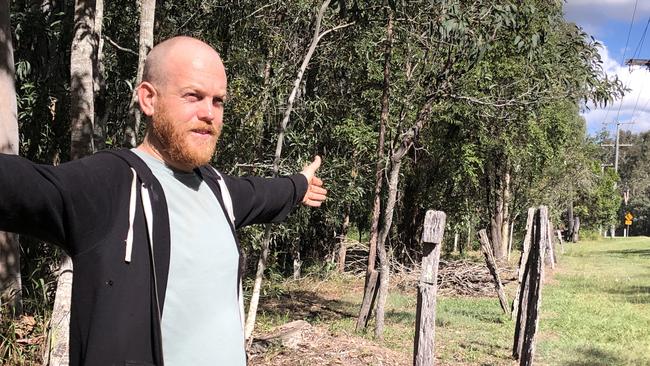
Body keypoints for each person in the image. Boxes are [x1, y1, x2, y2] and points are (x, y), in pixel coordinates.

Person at [0, 36, 327, 366]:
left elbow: (264, 194)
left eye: (218, 101)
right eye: (193, 96)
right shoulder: (110, 184)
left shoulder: (218, 189)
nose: (209, 113)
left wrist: (299, 184)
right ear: (148, 99)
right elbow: (25, 186)